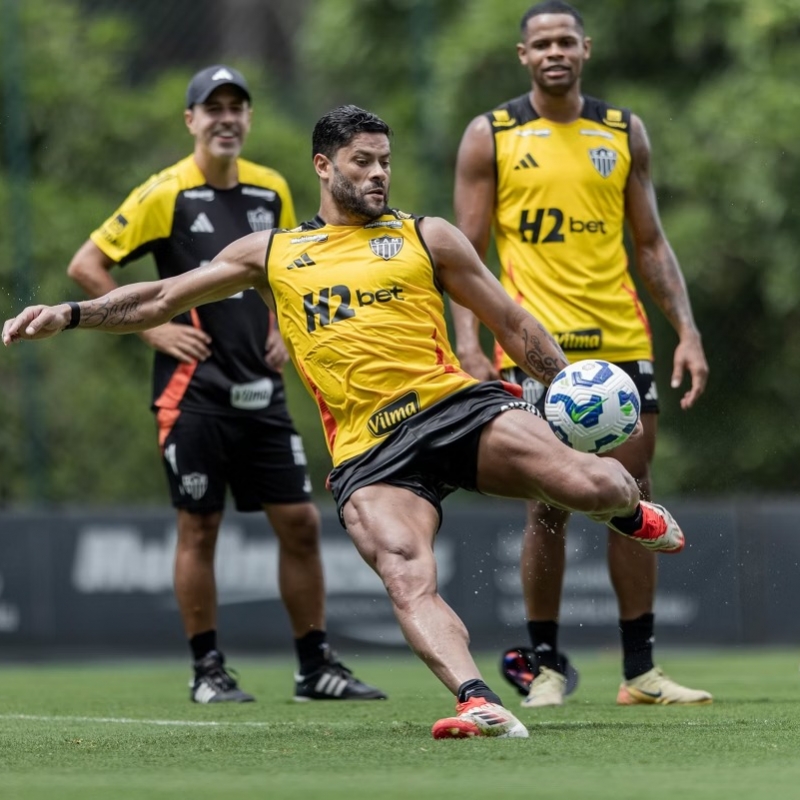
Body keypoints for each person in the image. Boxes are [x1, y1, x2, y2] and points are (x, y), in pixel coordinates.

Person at [5, 104, 688, 739]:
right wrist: (69, 314)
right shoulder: (270, 252)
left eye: (385, 160)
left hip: (456, 408)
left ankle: (631, 512)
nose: (379, 172)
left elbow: (510, 320)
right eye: (363, 161)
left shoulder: (427, 235)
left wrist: (565, 385)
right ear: (324, 166)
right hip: (370, 452)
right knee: (403, 571)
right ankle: (477, 699)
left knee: (595, 487)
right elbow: (159, 296)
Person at [65, 66, 385, 705]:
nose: (226, 119)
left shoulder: (271, 187)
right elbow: (86, 265)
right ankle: (207, 670)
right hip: (193, 392)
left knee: (299, 524)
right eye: (213, 108)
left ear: (249, 118)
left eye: (237, 107)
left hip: (261, 389)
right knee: (200, 528)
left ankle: (315, 667)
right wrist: (153, 332)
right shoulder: (165, 193)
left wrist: (285, 326)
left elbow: (291, 267)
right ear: (191, 120)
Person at [451, 0, 711, 708]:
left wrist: (687, 331)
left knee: (636, 493)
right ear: (524, 56)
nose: (555, 52)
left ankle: (641, 673)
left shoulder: (623, 131)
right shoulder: (491, 135)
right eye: (542, 43)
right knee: (548, 502)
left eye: (566, 40)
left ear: (585, 49)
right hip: (535, 347)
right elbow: (466, 256)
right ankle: (542, 668)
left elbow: (651, 244)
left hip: (621, 342)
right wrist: (468, 342)